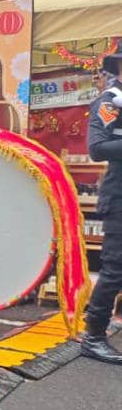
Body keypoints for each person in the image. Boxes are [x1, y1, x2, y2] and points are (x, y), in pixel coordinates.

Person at [81, 47, 122, 364]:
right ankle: (93, 335)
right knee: (115, 270)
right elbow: (97, 148)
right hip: (119, 198)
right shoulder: (111, 102)